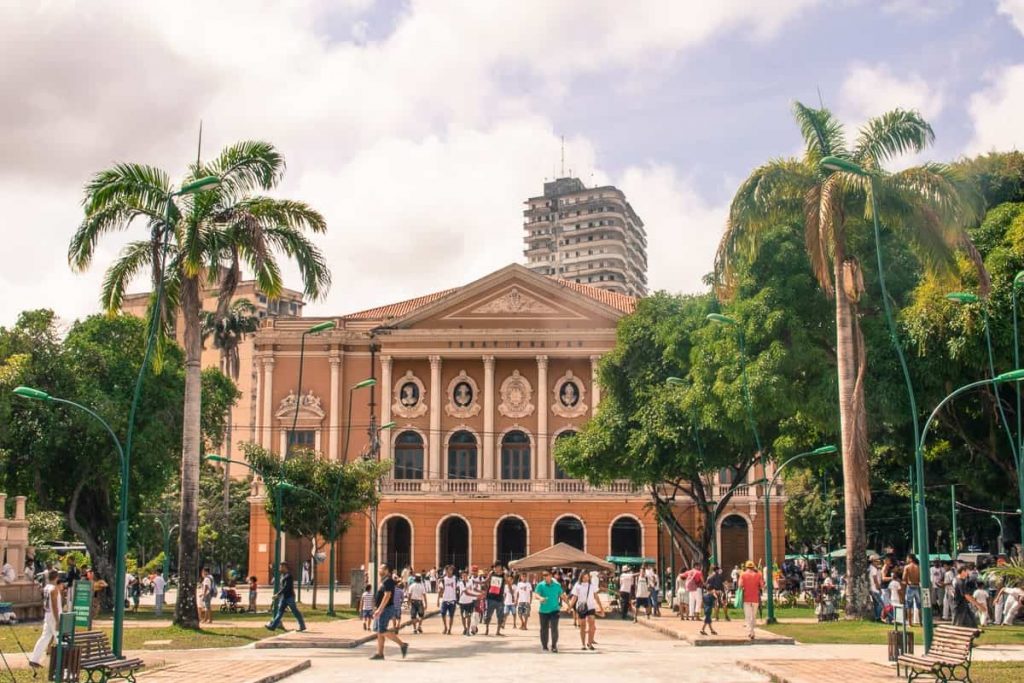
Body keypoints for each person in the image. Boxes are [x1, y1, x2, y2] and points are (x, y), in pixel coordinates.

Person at [370, 563, 408, 660]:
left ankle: (402, 644)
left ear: (387, 571)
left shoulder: (388, 581)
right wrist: (376, 607)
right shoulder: (383, 581)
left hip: (386, 609)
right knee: (379, 631)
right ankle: (380, 653)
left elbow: (387, 596)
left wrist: (379, 609)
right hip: (381, 608)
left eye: (381, 569)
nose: (379, 570)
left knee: (382, 630)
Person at [28, 569, 62, 671]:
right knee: (60, 637)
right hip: (53, 616)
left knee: (45, 637)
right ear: (57, 577)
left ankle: (34, 659)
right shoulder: (54, 589)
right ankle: (65, 660)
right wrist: (57, 620)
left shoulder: (46, 588)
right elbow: (55, 606)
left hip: (47, 614)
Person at [265, 562, 306, 632]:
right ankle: (273, 626)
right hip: (284, 597)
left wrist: (278, 594)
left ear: (284, 567)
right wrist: (272, 568)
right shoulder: (283, 575)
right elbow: (276, 576)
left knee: (295, 611)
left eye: (281, 567)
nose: (280, 568)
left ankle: (302, 626)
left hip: (289, 597)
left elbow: (286, 587)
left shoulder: (288, 576)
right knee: (280, 612)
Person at [570, 571, 605, 650]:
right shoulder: (577, 585)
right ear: (581, 577)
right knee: (582, 626)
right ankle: (583, 644)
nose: (586, 578)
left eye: (587, 577)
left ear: (589, 577)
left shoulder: (592, 585)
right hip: (581, 607)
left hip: (591, 607)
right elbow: (574, 597)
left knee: (592, 625)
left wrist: (601, 608)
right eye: (584, 577)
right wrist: (570, 606)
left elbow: (596, 597)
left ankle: (589, 643)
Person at [534, 569, 566, 653]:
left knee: (554, 628)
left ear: (551, 575)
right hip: (543, 611)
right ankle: (544, 646)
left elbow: (562, 595)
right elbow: (536, 594)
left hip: (554, 610)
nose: (545, 576)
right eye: (544, 575)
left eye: (547, 575)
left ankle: (554, 646)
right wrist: (540, 598)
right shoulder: (540, 585)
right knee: (544, 629)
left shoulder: (557, 585)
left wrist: (569, 606)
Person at [738, 561, 765, 640]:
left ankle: (751, 632)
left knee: (748, 616)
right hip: (755, 598)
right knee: (753, 616)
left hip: (746, 598)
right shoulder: (758, 575)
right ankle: (752, 631)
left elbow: (740, 586)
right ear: (753, 567)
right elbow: (762, 586)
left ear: (746, 567)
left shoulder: (743, 574)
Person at [484, 563, 505, 636]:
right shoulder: (491, 573)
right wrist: (479, 583)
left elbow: (508, 583)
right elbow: (486, 581)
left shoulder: (503, 575)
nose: (497, 568)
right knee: (488, 615)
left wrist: (512, 593)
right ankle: (487, 629)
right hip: (491, 598)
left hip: (499, 598)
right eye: (496, 567)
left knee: (500, 616)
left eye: (499, 567)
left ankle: (498, 631)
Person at [457, 570, 480, 636]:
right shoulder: (461, 583)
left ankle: (468, 630)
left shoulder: (471, 581)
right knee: (463, 616)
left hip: (469, 602)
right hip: (462, 602)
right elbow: (465, 591)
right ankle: (465, 628)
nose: (464, 577)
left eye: (465, 575)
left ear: (468, 576)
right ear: (461, 576)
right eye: (463, 576)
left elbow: (473, 589)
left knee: (468, 616)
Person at [438, 565, 458, 635]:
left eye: (451, 570)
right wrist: (438, 600)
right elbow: (440, 590)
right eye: (449, 570)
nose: (451, 571)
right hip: (445, 600)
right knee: (443, 614)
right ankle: (445, 627)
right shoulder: (443, 580)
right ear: (446, 571)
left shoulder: (455, 579)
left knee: (451, 616)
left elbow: (458, 588)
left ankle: (450, 629)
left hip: (452, 600)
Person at [903, 554, 922, 626]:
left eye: (907, 558)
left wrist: (907, 582)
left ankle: (910, 623)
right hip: (917, 586)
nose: (906, 560)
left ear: (910, 559)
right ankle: (921, 622)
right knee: (919, 606)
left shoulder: (907, 567)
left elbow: (904, 578)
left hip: (910, 586)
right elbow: (920, 578)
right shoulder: (918, 567)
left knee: (909, 606)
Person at [868, 555, 883, 621]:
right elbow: (875, 579)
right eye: (876, 561)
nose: (878, 562)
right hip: (875, 589)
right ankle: (878, 617)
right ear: (873, 561)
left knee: (876, 604)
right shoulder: (873, 569)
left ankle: (877, 617)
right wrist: (879, 588)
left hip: (872, 588)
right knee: (880, 604)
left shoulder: (870, 568)